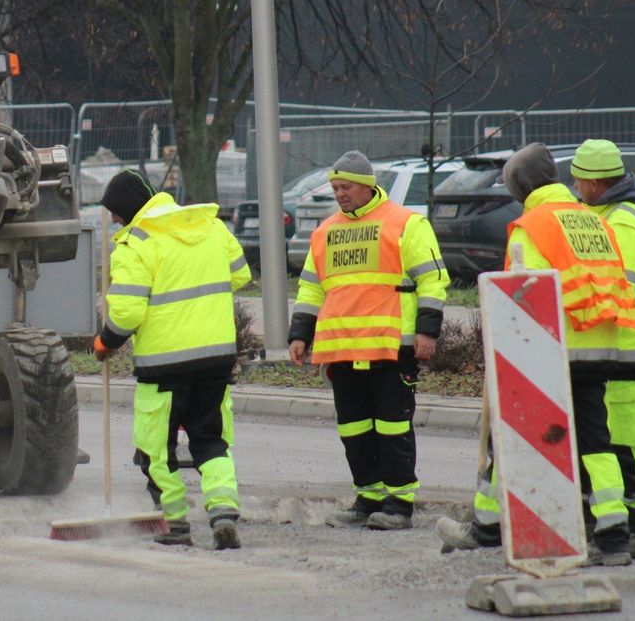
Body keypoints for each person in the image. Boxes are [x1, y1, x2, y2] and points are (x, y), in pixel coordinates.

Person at [437, 142, 635, 565]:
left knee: (507, 436)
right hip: (598, 347)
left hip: (554, 354)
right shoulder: (591, 220)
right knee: (596, 442)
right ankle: (613, 536)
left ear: (519, 187)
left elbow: (525, 296)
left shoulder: (533, 225)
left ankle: (485, 525)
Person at [287, 150, 448, 531]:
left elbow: (432, 279)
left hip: (392, 346)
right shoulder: (325, 231)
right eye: (335, 187)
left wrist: (427, 331)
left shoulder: (406, 224)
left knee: (393, 426)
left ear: (366, 185)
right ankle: (368, 498)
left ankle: (398, 503)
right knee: (354, 428)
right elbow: (311, 289)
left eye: (345, 187)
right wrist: (299, 334)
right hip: (342, 348)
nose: (339, 194)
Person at [93, 169, 253, 549]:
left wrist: (105, 341)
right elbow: (240, 275)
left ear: (130, 207)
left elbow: (128, 313)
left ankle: (175, 523)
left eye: (116, 212)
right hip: (216, 357)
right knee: (210, 440)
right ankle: (223, 511)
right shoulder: (211, 227)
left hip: (164, 365)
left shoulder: (137, 243)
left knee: (157, 449)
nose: (115, 219)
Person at [572, 140, 635, 559]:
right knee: (614, 434)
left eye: (579, 179)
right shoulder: (601, 215)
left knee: (626, 436)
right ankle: (633, 519)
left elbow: (615, 282)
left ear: (596, 182)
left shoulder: (623, 222)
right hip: (612, 342)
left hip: (627, 342)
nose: (574, 185)